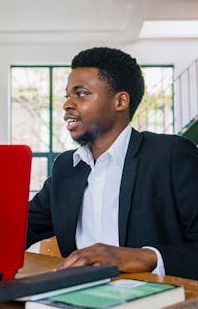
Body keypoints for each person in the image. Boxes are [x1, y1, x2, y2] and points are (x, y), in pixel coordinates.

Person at [26, 47, 198, 280]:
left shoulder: (170, 155)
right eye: (67, 95)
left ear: (120, 101)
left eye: (81, 93)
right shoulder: (66, 167)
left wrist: (147, 257)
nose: (67, 104)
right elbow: (17, 230)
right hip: (77, 295)